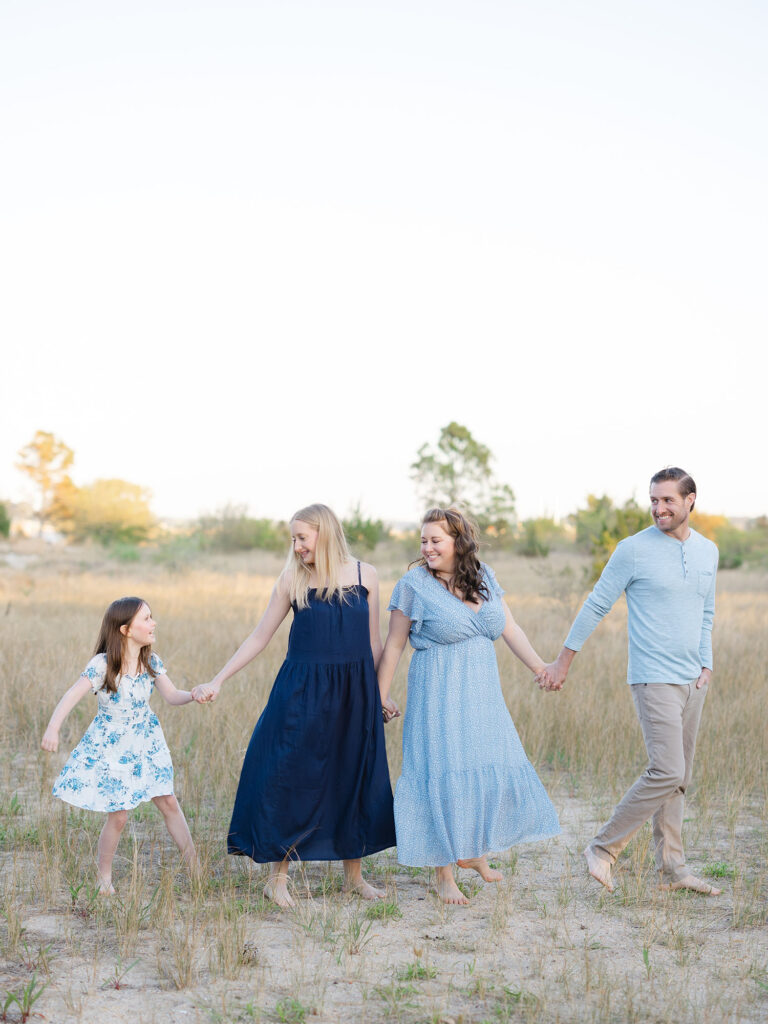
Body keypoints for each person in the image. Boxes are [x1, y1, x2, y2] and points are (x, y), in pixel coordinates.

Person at [192, 503, 396, 907]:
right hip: (302, 691)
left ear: (325, 533)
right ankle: (278, 878)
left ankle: (354, 876)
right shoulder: (292, 580)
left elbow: (375, 642)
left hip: (355, 692)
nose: (297, 545)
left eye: (302, 537)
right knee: (289, 774)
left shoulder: (364, 575)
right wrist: (218, 679)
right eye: (294, 539)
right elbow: (258, 637)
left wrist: (380, 692)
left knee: (351, 775)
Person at [540, 467, 720, 895]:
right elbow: (596, 604)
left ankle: (673, 870)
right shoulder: (633, 550)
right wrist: (563, 661)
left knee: (679, 778)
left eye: (668, 501)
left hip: (693, 678)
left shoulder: (708, 552)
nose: (658, 508)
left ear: (690, 500)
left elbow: (706, 612)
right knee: (667, 768)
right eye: (654, 500)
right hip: (653, 677)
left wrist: (706, 666)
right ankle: (602, 849)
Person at [377, 507, 560, 905]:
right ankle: (444, 874)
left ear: (459, 542)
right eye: (423, 541)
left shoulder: (484, 574)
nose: (427, 548)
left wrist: (540, 666)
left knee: (481, 761)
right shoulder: (412, 585)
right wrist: (381, 693)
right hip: (437, 691)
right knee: (441, 769)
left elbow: (510, 628)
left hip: (481, 693)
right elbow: (393, 644)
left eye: (435, 540)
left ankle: (473, 852)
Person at [41, 597, 199, 894]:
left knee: (168, 802)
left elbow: (173, 695)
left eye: (152, 617)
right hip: (113, 747)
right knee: (120, 815)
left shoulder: (151, 662)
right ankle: (104, 877)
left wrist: (194, 694)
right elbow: (71, 696)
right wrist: (53, 727)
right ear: (126, 629)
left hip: (147, 743)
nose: (154, 624)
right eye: (147, 619)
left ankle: (195, 868)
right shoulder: (103, 665)